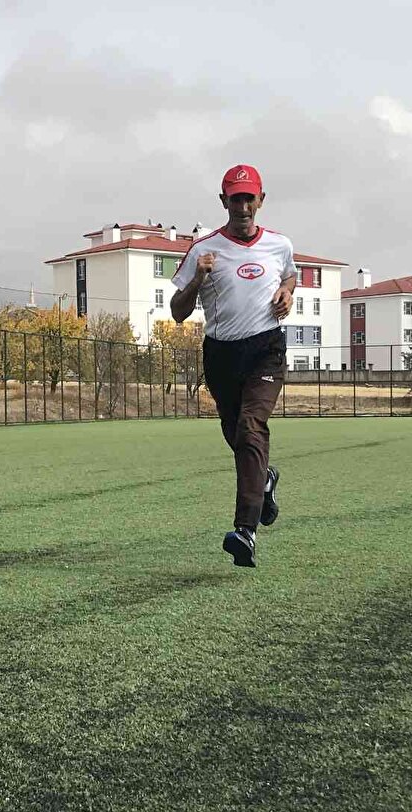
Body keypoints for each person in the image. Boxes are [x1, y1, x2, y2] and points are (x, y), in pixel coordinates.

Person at [170, 164, 295, 567]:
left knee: (250, 427)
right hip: (221, 355)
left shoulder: (279, 245)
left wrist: (287, 293)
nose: (243, 206)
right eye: (235, 198)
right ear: (223, 201)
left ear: (261, 200)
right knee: (237, 437)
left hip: (266, 349)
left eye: (249, 198)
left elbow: (290, 277)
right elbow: (176, 312)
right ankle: (266, 478)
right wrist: (197, 280)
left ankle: (245, 530)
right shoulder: (203, 251)